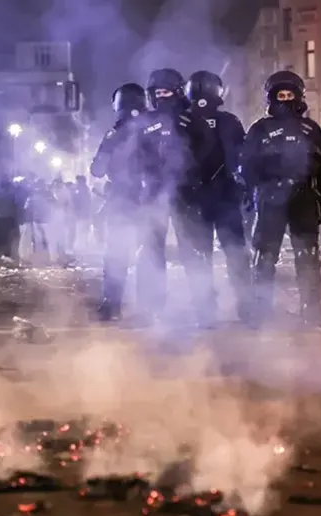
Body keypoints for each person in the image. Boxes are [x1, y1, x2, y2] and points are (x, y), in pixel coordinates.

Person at [238, 70, 321, 327]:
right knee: (266, 253)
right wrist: (250, 194)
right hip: (271, 196)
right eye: (280, 95)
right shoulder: (260, 129)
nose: (285, 100)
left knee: (308, 254)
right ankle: (261, 307)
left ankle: (311, 307)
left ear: (299, 96)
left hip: (303, 195)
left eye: (290, 95)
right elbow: (246, 165)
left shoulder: (310, 128)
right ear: (271, 98)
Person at [135, 67, 216, 324]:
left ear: (178, 92)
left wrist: (193, 175)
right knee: (151, 249)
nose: (162, 96)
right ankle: (153, 306)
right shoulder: (144, 123)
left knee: (191, 248)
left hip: (185, 191)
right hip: (154, 192)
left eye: (167, 91)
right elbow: (134, 156)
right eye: (157, 92)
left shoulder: (192, 121)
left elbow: (209, 152)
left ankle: (203, 306)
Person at [185, 69, 252, 323]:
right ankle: (241, 306)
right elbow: (243, 156)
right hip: (219, 196)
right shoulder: (228, 121)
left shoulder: (185, 120)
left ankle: (208, 309)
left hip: (207, 197)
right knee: (232, 252)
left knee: (208, 255)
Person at [92, 82, 147, 321]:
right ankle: (151, 307)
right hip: (150, 197)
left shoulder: (114, 133)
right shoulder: (155, 127)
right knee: (150, 252)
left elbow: (97, 169)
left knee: (117, 252)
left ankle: (112, 303)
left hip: (122, 197)